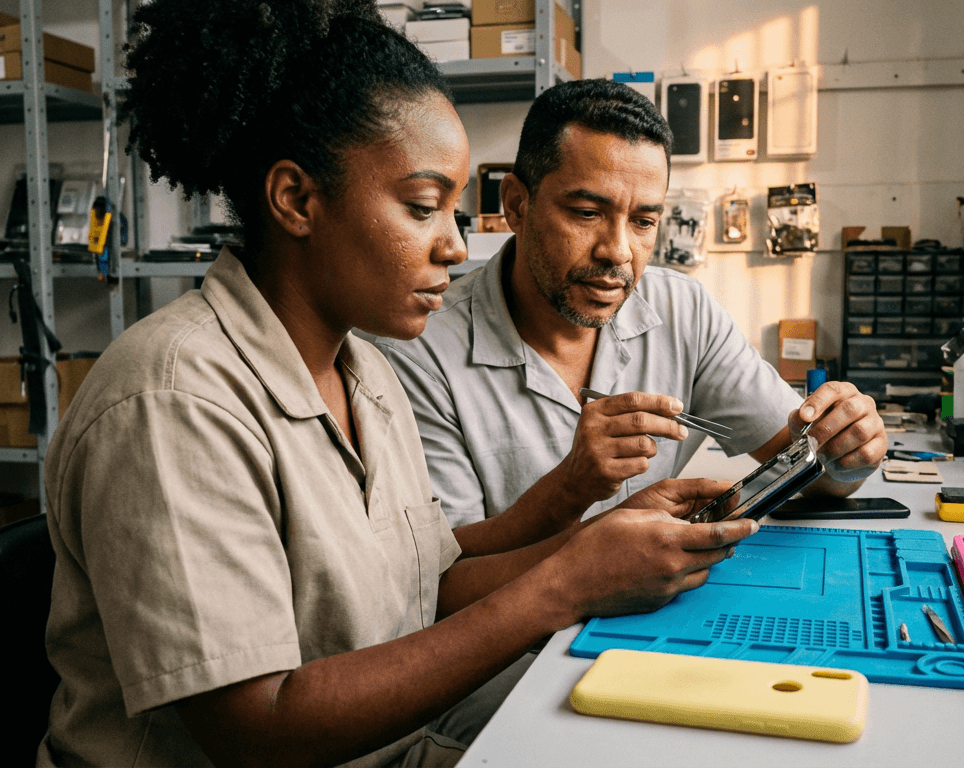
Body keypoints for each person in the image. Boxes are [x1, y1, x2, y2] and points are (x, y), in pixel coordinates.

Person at [37, 3, 758, 767]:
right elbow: (259, 731)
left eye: (451, 209)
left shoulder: (364, 370)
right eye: (422, 207)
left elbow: (431, 579)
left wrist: (600, 537)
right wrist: (564, 587)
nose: (455, 244)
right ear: (296, 200)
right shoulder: (174, 401)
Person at [377, 80, 888, 552]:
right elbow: (442, 578)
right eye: (586, 213)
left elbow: (817, 470)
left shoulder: (683, 313)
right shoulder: (419, 352)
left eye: (644, 221)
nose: (618, 252)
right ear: (516, 204)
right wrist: (569, 491)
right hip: (527, 653)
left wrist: (848, 450)